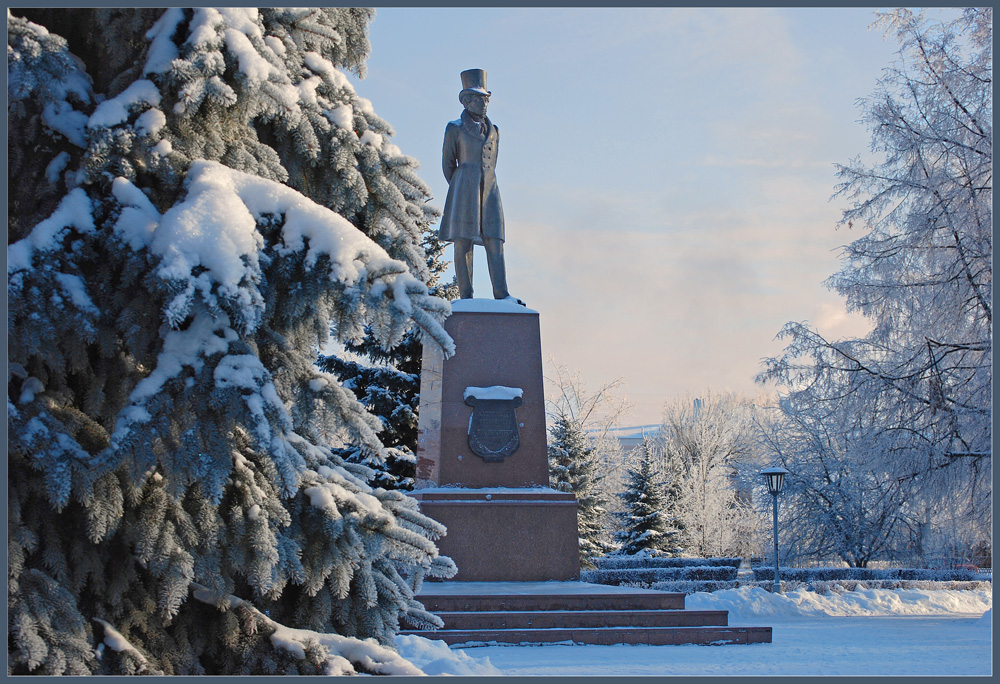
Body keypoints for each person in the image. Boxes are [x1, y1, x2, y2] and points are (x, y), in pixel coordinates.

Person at [439, 69, 523, 304]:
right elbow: (448, 164)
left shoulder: (494, 130)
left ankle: (502, 293)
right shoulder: (454, 128)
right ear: (466, 101)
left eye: (486, 99)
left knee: (494, 239)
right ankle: (466, 295)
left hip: (490, 190)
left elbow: (492, 162)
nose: (483, 103)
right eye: (478, 99)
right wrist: (460, 187)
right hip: (464, 188)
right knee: (463, 241)